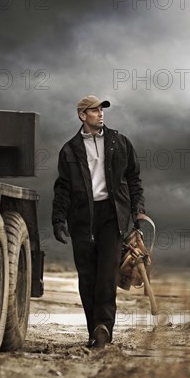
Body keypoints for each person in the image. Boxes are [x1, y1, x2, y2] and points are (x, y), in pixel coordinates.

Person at [51, 95, 146, 348]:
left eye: (102, 110)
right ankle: (93, 329)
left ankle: (104, 328)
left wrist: (138, 210)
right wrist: (58, 219)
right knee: (87, 277)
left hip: (112, 216)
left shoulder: (119, 142)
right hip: (81, 218)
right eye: (94, 111)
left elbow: (134, 179)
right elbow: (62, 188)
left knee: (107, 274)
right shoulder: (69, 149)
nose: (100, 114)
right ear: (82, 116)